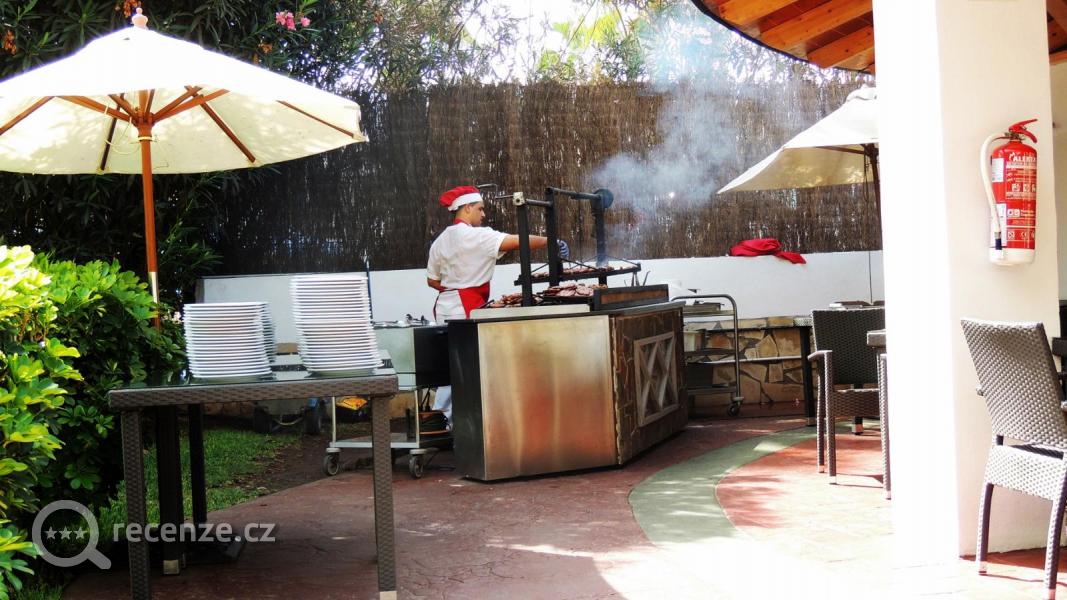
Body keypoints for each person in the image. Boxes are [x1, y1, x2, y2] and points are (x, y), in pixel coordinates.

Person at [426, 185, 568, 424]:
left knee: (454, 364)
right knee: (469, 365)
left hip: (445, 307)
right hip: (466, 309)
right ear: (467, 208)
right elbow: (517, 241)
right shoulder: (475, 236)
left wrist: (456, 286)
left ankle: (442, 420)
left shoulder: (440, 240)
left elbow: (432, 280)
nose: (483, 215)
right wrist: (550, 241)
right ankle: (455, 420)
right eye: (480, 209)